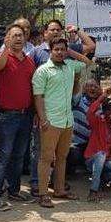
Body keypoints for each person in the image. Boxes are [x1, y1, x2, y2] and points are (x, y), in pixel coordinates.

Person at [32, 37, 90, 207]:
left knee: (62, 157)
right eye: (56, 49)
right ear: (50, 50)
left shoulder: (70, 66)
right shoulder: (42, 71)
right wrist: (43, 119)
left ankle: (59, 189)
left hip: (67, 120)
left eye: (62, 49)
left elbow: (87, 62)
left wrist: (71, 51)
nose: (59, 52)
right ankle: (43, 193)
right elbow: (38, 97)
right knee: (46, 158)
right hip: (51, 121)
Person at [0, 25, 36, 212]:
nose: (18, 38)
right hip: (7, 116)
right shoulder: (2, 57)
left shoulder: (29, 61)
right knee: (4, 156)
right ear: (7, 38)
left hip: (26, 114)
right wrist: (6, 48)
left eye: (21, 35)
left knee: (18, 155)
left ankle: (14, 190)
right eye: (14, 35)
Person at [84, 92, 111, 202]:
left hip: (107, 160)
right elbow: (90, 112)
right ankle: (93, 190)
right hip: (92, 158)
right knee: (101, 155)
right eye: (109, 109)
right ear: (104, 111)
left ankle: (103, 180)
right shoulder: (98, 121)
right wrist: (102, 97)